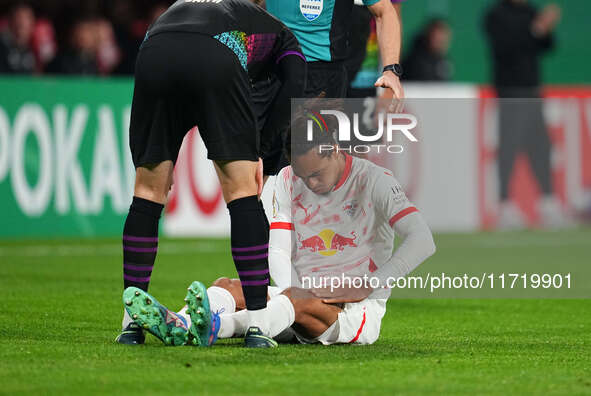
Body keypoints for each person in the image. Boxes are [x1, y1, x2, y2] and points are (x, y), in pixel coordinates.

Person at [121, 107, 436, 347]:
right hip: (299, 295)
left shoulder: (374, 182)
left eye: (317, 174)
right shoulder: (288, 179)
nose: (309, 183)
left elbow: (422, 239)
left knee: (295, 302)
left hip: (354, 313)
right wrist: (288, 289)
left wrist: (370, 284)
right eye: (303, 175)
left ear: (335, 149)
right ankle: (180, 323)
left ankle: (212, 328)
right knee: (228, 285)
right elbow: (279, 248)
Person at [115, 0, 307, 348]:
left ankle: (130, 323)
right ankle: (259, 326)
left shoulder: (200, 8)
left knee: (146, 192)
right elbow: (294, 92)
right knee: (243, 193)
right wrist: (261, 149)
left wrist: (156, 164)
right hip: (216, 52)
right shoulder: (285, 39)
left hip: (154, 49)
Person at [484, 0, 565, 229]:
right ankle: (504, 205)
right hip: (510, 90)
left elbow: (547, 46)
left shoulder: (531, 11)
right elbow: (506, 46)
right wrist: (536, 28)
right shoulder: (496, 15)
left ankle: (548, 202)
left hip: (532, 90)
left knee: (541, 145)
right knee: (509, 147)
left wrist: (544, 28)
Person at [266, 0, 404, 100]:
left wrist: (391, 70)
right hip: (269, 70)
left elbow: (385, 11)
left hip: (319, 76)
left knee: (310, 139)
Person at [0, 2, 36, 74]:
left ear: (32, 23)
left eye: (26, 19)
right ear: (10, 22)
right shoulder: (2, 47)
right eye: (18, 18)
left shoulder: (31, 51)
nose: (22, 23)